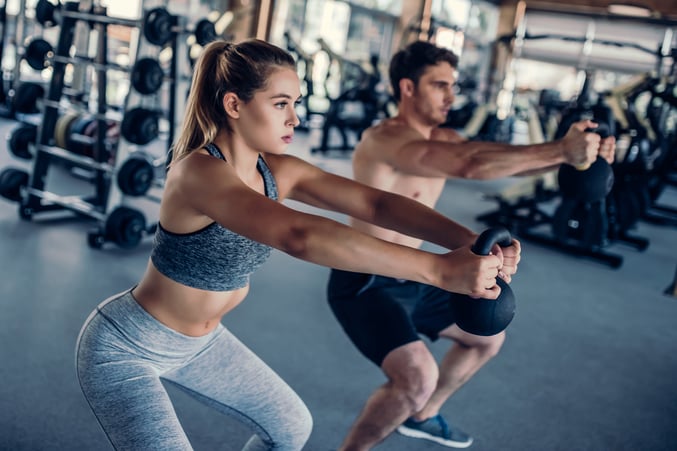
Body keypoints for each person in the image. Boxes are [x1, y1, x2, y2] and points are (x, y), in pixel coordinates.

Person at [74, 39, 520, 451]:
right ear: (234, 104)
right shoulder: (199, 173)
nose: (296, 118)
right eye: (281, 104)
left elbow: (377, 203)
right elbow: (299, 236)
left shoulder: (277, 170)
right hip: (127, 346)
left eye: (297, 104)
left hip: (203, 345)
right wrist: (442, 270)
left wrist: (471, 242)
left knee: (290, 427)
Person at [327, 40, 617, 450]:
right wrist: (559, 149)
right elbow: (469, 165)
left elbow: (482, 154)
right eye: (439, 85)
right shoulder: (385, 141)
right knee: (417, 377)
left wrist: (574, 158)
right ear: (407, 88)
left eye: (453, 85)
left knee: (486, 338)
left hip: (416, 271)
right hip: (367, 280)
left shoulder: (443, 136)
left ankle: (424, 415)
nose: (451, 95)